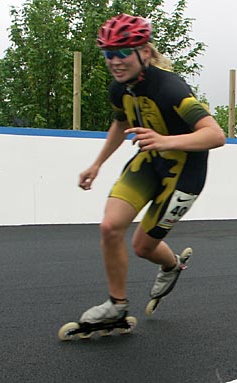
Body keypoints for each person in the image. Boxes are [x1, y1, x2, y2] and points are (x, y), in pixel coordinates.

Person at [77, 13, 225, 323]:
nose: (114, 61)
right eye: (108, 53)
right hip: (150, 161)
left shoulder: (169, 87)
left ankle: (171, 265)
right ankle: (117, 305)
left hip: (183, 174)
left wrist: (165, 140)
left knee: (143, 246)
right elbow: (120, 123)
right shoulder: (119, 88)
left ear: (144, 52)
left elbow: (216, 134)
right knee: (109, 227)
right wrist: (97, 164)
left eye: (121, 53)